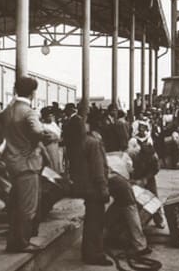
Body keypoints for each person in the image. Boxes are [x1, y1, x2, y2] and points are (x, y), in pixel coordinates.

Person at [0, 76, 54, 253]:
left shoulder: (7, 111)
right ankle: (22, 243)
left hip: (11, 163)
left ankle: (13, 240)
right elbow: (37, 131)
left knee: (14, 204)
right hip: (27, 164)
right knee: (28, 207)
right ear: (32, 92)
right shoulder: (29, 112)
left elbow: (0, 123)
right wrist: (50, 135)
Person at [75, 122, 113, 266]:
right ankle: (95, 254)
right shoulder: (95, 144)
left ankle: (88, 252)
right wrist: (104, 189)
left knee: (91, 221)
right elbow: (98, 170)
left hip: (87, 189)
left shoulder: (83, 142)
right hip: (95, 189)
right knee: (96, 223)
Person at [62, 103, 82, 181]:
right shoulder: (72, 119)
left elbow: (75, 135)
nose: (65, 112)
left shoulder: (76, 120)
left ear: (70, 110)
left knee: (74, 164)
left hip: (74, 147)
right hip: (72, 146)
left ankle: (74, 180)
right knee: (72, 164)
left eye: (66, 110)